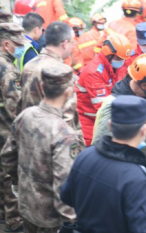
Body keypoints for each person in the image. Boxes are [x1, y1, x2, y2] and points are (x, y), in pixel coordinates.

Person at [60, 95, 146, 233]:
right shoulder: (136, 177)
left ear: (109, 125)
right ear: (143, 131)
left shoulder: (85, 156)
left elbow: (66, 197)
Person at [1, 63, 77, 232]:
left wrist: (17, 183)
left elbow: (7, 156)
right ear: (68, 93)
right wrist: (70, 220)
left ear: (42, 87)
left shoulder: (25, 115)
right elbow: (63, 182)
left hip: (26, 205)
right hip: (50, 218)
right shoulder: (64, 133)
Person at [92, 54, 146, 186]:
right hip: (121, 181)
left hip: (142, 175)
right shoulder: (112, 105)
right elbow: (100, 147)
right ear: (145, 85)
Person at [18, 21, 85, 150]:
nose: (73, 46)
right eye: (72, 42)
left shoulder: (29, 65)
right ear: (65, 44)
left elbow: (21, 103)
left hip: (28, 138)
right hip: (53, 143)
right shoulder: (61, 71)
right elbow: (68, 117)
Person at [76, 33, 131, 146]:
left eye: (122, 59)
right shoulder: (94, 72)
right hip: (89, 125)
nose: (121, 61)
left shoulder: (116, 67)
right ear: (108, 53)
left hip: (105, 121)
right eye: (118, 58)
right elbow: (103, 107)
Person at [0, 22, 29, 233]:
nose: (21, 48)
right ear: (6, 44)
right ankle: (14, 224)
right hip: (4, 133)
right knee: (10, 178)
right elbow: (16, 111)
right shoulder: (8, 71)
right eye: (18, 44)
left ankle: (2, 214)